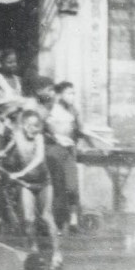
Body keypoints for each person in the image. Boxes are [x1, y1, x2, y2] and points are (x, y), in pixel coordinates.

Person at [0, 103, 62, 270]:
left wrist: (20, 173)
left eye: (36, 126)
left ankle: (57, 253)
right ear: (23, 125)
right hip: (27, 184)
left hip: (43, 183)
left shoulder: (39, 138)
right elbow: (5, 152)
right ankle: (35, 252)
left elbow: (38, 159)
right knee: (28, 219)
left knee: (46, 216)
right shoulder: (17, 136)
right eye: (30, 125)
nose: (33, 129)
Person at [41, 80, 92, 233]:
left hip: (69, 152)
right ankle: (57, 223)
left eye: (73, 93)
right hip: (53, 151)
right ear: (60, 95)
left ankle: (73, 221)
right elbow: (41, 129)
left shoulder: (74, 110)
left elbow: (80, 130)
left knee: (72, 186)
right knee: (57, 187)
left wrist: (90, 141)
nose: (72, 96)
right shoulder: (50, 108)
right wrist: (54, 138)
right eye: (69, 93)